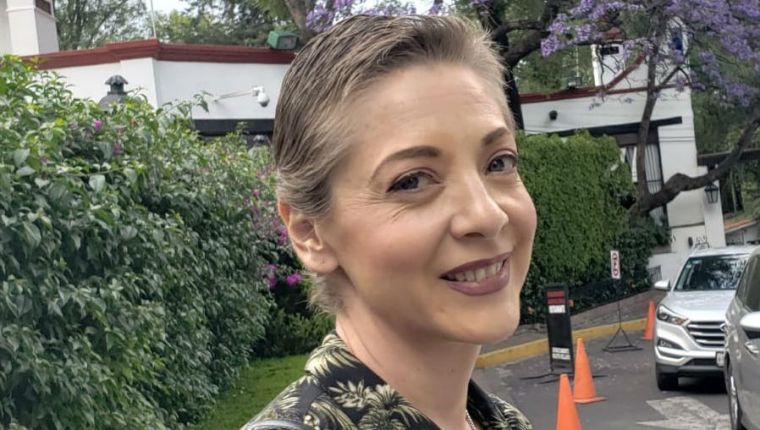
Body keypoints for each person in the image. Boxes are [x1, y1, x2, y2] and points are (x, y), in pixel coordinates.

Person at [242, 14, 537, 430]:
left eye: (499, 162)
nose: (488, 215)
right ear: (310, 234)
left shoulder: (504, 422)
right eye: (411, 181)